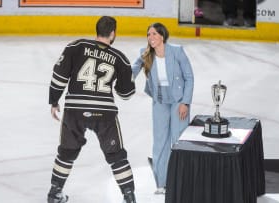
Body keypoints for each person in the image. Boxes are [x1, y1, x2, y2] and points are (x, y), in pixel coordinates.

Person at [47, 16, 136, 203]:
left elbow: (59, 77)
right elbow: (126, 94)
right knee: (116, 156)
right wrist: (126, 78)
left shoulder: (75, 46)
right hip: (104, 113)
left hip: (75, 111)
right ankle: (129, 197)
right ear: (113, 34)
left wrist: (54, 101)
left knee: (67, 151)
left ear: (97, 31)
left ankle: (54, 193)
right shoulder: (120, 58)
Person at [132, 23, 194, 194]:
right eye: (148, 34)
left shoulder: (177, 51)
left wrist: (185, 102)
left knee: (178, 140)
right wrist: (120, 79)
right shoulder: (145, 54)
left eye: (153, 34)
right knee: (160, 142)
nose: (150, 37)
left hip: (178, 99)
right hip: (160, 100)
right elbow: (132, 71)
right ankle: (161, 183)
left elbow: (189, 77)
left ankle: (184, 181)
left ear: (162, 36)